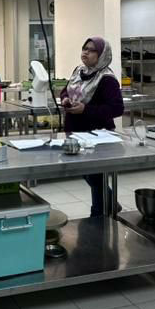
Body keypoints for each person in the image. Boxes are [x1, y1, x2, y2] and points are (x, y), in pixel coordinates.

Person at [60, 37, 124, 217]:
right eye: (84, 48)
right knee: (86, 172)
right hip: (75, 130)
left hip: (97, 134)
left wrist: (86, 109)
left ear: (102, 55)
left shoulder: (107, 79)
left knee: (95, 176)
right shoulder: (79, 71)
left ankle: (99, 214)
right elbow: (66, 89)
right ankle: (110, 203)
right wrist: (65, 98)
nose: (86, 52)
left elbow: (117, 108)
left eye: (92, 50)